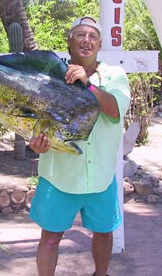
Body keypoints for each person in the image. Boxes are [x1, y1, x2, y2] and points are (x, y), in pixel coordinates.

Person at [29, 16, 131, 276]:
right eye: (80, 35)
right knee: (50, 238)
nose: (86, 40)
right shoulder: (50, 77)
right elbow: (33, 120)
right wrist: (35, 142)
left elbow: (115, 111)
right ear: (69, 41)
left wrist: (88, 83)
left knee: (104, 234)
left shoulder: (115, 75)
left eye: (92, 36)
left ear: (99, 45)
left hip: (101, 176)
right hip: (59, 177)